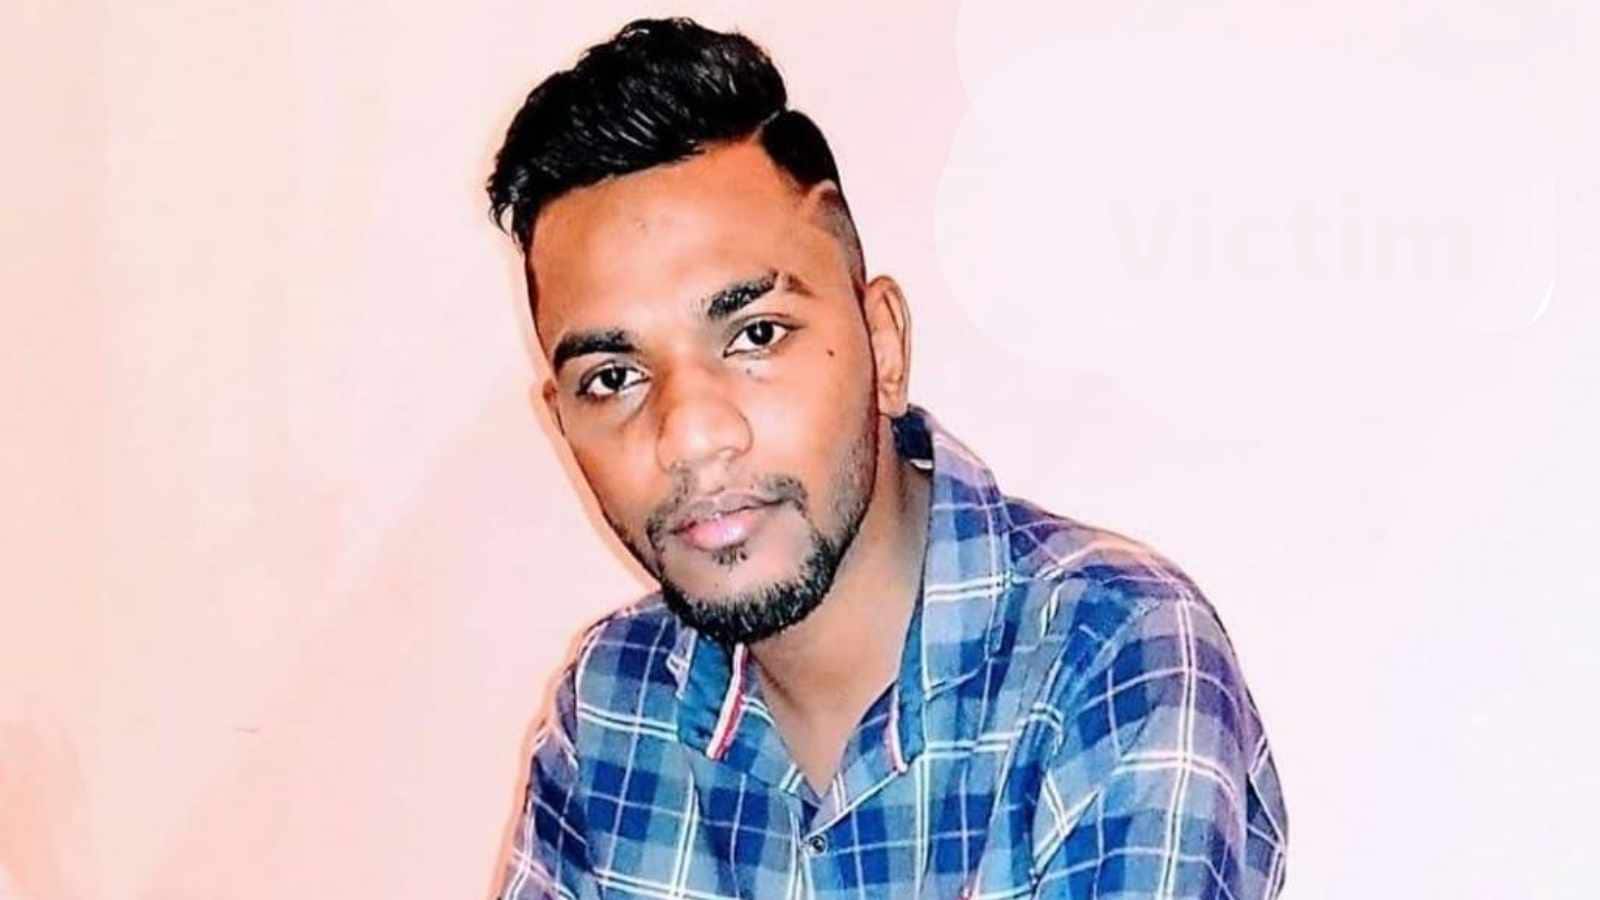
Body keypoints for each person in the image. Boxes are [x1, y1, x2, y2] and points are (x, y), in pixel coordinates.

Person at [485, 17, 1287, 899]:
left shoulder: (1110, 651)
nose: (691, 434)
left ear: (885, 345)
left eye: (756, 334)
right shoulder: (611, 706)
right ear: (563, 425)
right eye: (613, 378)